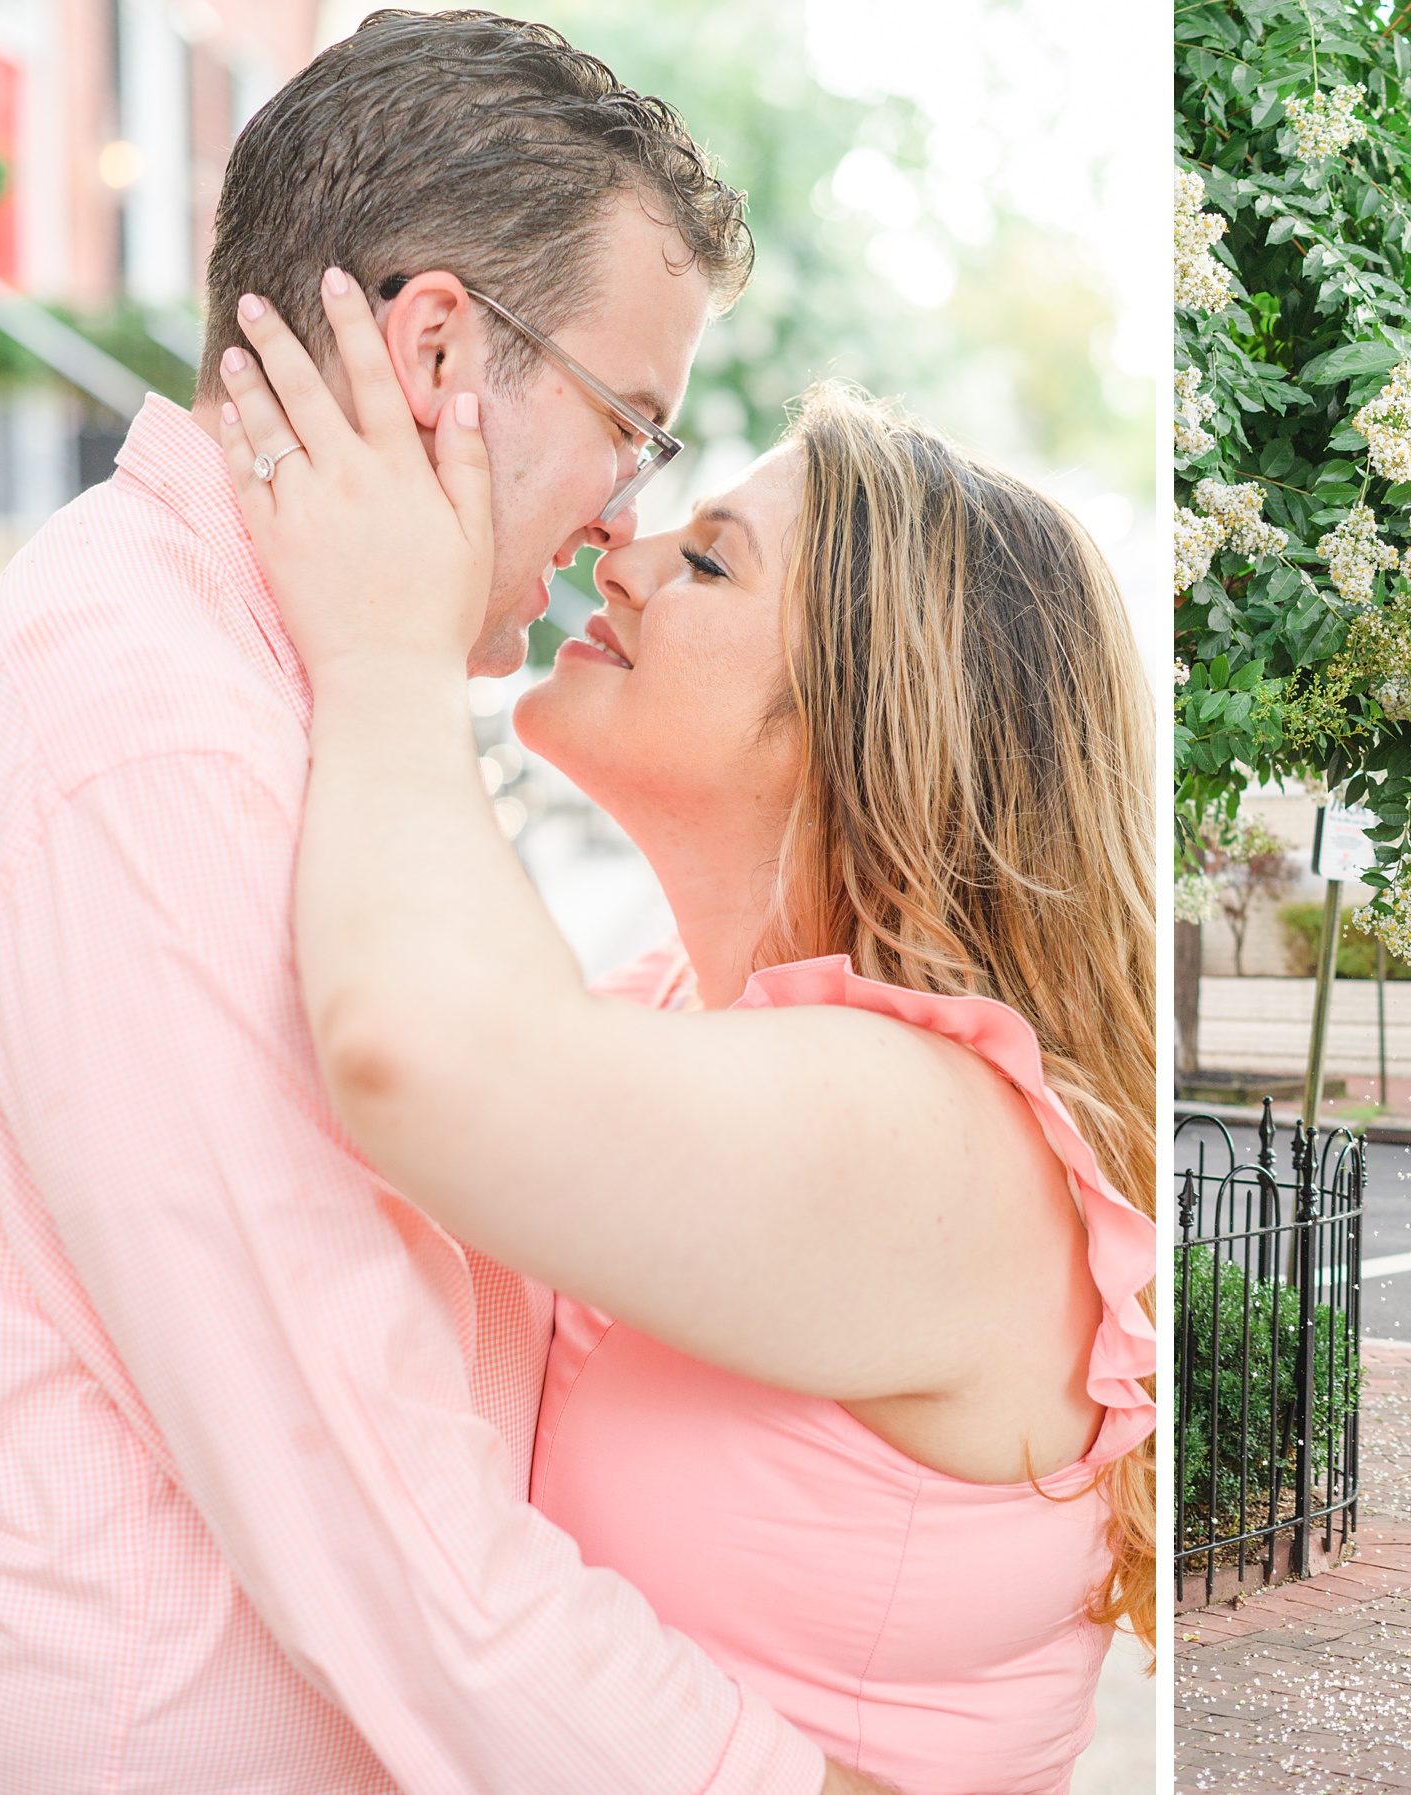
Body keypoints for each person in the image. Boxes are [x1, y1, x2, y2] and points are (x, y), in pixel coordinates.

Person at [0, 15, 873, 1791]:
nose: (625, 522)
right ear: (438, 348)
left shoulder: (276, 689)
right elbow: (370, 1507)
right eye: (632, 427)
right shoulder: (154, 736)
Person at [209, 265, 1156, 1794]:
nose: (622, 552)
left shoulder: (928, 1129)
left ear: (868, 718)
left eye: (711, 563)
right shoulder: (678, 1001)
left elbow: (416, 1051)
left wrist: (388, 646)